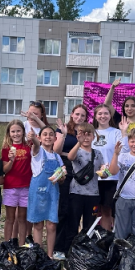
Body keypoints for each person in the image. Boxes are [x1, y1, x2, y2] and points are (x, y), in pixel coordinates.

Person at [55, 104, 89, 255]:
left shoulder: (87, 132)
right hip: (65, 170)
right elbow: (55, 151)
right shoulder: (63, 129)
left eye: (82, 115)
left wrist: (67, 152)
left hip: (81, 172)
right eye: (77, 114)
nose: (79, 118)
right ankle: (58, 247)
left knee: (74, 211)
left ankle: (72, 246)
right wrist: (62, 136)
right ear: (72, 115)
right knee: (62, 209)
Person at [26, 126, 65, 257]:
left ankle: (49, 255)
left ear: (55, 138)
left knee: (51, 225)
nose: (48, 137)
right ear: (39, 138)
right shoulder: (38, 152)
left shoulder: (57, 157)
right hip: (38, 192)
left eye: (50, 134)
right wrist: (32, 138)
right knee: (37, 224)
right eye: (44, 134)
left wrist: (61, 177)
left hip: (52, 193)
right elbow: (36, 145)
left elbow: (61, 178)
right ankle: (39, 255)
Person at [67, 122, 105, 238]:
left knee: (90, 224)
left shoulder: (97, 153)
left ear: (94, 137)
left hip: (93, 193)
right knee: (73, 222)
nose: (86, 138)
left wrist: (104, 172)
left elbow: (102, 170)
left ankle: (86, 249)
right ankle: (71, 248)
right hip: (76, 192)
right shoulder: (77, 150)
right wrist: (79, 142)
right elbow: (70, 157)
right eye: (83, 134)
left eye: (89, 135)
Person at [92, 104, 122, 231]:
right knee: (91, 212)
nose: (103, 116)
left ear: (110, 116)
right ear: (95, 116)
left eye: (106, 113)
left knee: (106, 211)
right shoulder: (91, 132)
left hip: (111, 178)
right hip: (92, 179)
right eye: (100, 113)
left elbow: (121, 154)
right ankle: (88, 241)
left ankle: (106, 241)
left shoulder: (116, 133)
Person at [2, 119, 31, 245]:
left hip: (26, 187)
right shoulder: (6, 149)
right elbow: (5, 170)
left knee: (22, 218)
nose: (16, 134)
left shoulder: (28, 146)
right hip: (11, 187)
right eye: (13, 131)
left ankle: (21, 245)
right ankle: (7, 244)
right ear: (9, 133)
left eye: (18, 131)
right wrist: (11, 160)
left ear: (23, 132)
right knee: (10, 219)